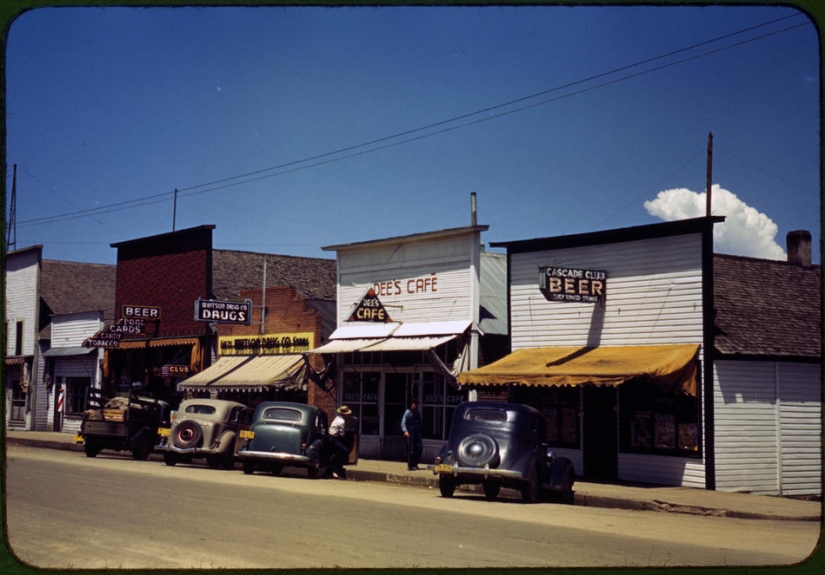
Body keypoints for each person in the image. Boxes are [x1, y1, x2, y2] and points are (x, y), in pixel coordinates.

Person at [328, 405, 352, 479]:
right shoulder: (342, 421)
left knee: (340, 450)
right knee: (345, 451)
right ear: (344, 414)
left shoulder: (337, 418)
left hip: (330, 437)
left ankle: (335, 468)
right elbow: (341, 434)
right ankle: (336, 470)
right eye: (347, 414)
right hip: (333, 438)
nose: (348, 415)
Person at [401, 399, 423, 471]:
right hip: (410, 432)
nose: (414, 405)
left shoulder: (417, 413)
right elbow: (403, 422)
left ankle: (416, 463)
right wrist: (405, 431)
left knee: (419, 448)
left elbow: (419, 423)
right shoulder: (408, 412)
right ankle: (411, 465)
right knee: (411, 449)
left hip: (417, 432)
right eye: (412, 404)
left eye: (415, 404)